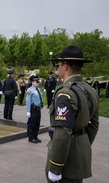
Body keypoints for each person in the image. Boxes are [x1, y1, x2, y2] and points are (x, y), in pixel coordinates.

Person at [45, 45, 99, 183]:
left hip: (65, 160)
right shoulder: (90, 89)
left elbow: (62, 133)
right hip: (80, 154)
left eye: (59, 64)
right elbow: (93, 125)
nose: (57, 68)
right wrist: (82, 144)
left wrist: (55, 167)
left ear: (66, 66)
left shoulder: (66, 93)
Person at [26, 75, 43, 144]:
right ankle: (31, 137)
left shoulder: (38, 89)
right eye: (37, 82)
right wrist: (28, 111)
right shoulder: (29, 90)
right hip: (33, 109)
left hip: (38, 109)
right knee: (31, 124)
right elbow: (28, 101)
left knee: (37, 124)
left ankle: (35, 136)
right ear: (33, 82)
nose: (38, 83)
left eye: (38, 82)